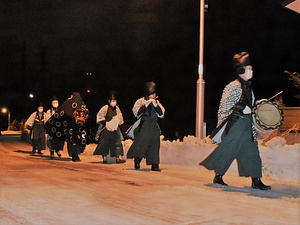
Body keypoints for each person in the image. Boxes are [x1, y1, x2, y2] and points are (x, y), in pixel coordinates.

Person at [200, 52, 271, 190]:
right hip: (235, 124)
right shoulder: (232, 86)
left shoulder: (248, 87)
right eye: (248, 69)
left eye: (251, 69)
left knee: (252, 150)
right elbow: (225, 106)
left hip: (247, 123)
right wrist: (240, 109)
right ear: (240, 70)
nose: (251, 72)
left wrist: (258, 105)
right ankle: (218, 175)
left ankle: (256, 180)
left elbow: (250, 105)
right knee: (228, 150)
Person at [127, 81, 165, 171]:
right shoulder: (140, 101)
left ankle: (155, 164)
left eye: (154, 94)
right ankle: (137, 159)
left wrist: (156, 106)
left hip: (154, 124)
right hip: (145, 124)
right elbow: (136, 113)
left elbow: (161, 114)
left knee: (155, 143)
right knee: (143, 143)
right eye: (152, 94)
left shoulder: (157, 102)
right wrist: (145, 105)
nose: (153, 96)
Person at [45, 92, 90, 162]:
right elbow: (64, 113)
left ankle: (76, 155)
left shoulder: (77, 105)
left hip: (75, 129)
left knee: (76, 142)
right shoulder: (71, 105)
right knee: (73, 142)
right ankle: (74, 155)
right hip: (72, 129)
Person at [93, 91, 126, 164]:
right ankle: (104, 158)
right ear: (109, 101)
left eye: (115, 101)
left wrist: (117, 122)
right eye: (113, 101)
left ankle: (118, 158)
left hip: (115, 128)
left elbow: (121, 119)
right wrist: (106, 123)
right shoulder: (105, 108)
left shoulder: (117, 109)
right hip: (106, 128)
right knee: (105, 143)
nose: (114, 102)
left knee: (117, 143)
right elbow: (99, 117)